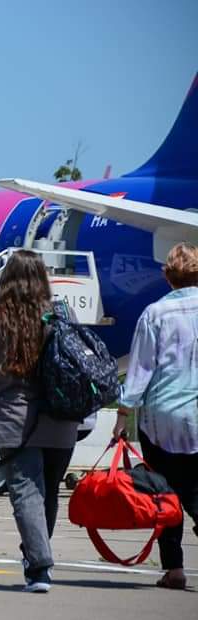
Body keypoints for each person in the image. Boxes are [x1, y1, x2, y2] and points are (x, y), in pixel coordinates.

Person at [0, 249, 79, 593]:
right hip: (60, 418)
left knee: (27, 493)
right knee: (48, 492)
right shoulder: (61, 313)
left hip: (15, 418)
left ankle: (39, 565)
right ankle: (37, 555)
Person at [114, 242, 198, 591]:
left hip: (162, 419)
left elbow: (140, 371)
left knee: (165, 494)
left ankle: (174, 569)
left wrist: (122, 415)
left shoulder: (154, 314)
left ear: (167, 276)